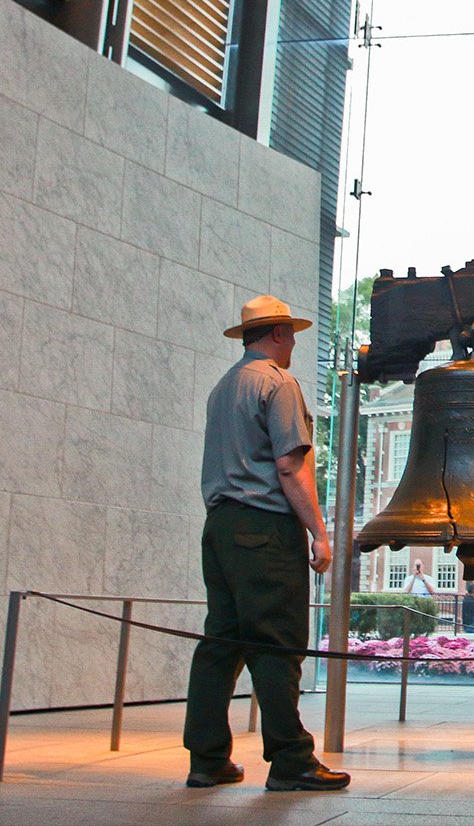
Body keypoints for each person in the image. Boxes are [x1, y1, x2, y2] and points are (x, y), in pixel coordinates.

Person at [183, 295, 349, 792]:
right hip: (265, 528)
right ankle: (292, 760)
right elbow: (290, 465)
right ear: (276, 333)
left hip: (221, 528)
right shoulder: (277, 383)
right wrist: (319, 531)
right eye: (291, 334)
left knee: (222, 642)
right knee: (277, 643)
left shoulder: (223, 386)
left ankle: (207, 759)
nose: (295, 342)